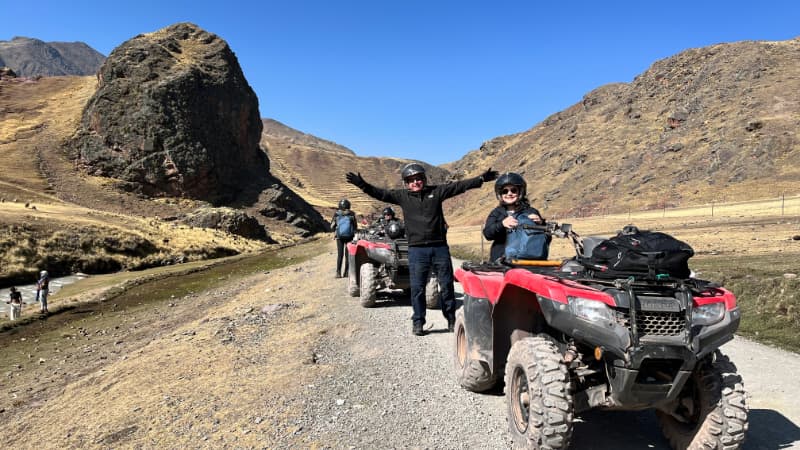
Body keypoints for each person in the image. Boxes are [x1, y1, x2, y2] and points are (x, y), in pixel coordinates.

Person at [346, 163, 497, 336]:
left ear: (424, 179)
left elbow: (458, 187)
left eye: (418, 179)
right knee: (417, 288)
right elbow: (380, 193)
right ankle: (418, 322)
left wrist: (481, 179)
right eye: (411, 180)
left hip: (439, 247)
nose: (415, 182)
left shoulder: (437, 192)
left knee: (447, 286)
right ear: (406, 183)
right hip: (417, 250)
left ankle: (451, 320)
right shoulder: (402, 196)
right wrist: (362, 184)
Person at [483, 172, 545, 262]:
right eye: (505, 191)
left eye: (513, 190)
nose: (509, 194)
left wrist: (541, 224)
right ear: (500, 194)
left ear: (520, 192)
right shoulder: (496, 213)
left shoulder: (531, 211)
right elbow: (487, 234)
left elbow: (545, 238)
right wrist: (502, 224)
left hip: (528, 261)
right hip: (500, 261)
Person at [331, 199, 357, 279]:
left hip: (339, 237)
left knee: (340, 255)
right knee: (347, 255)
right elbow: (355, 226)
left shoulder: (336, 214)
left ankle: (338, 273)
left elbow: (332, 226)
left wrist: (336, 229)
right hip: (349, 236)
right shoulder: (352, 214)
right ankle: (346, 272)